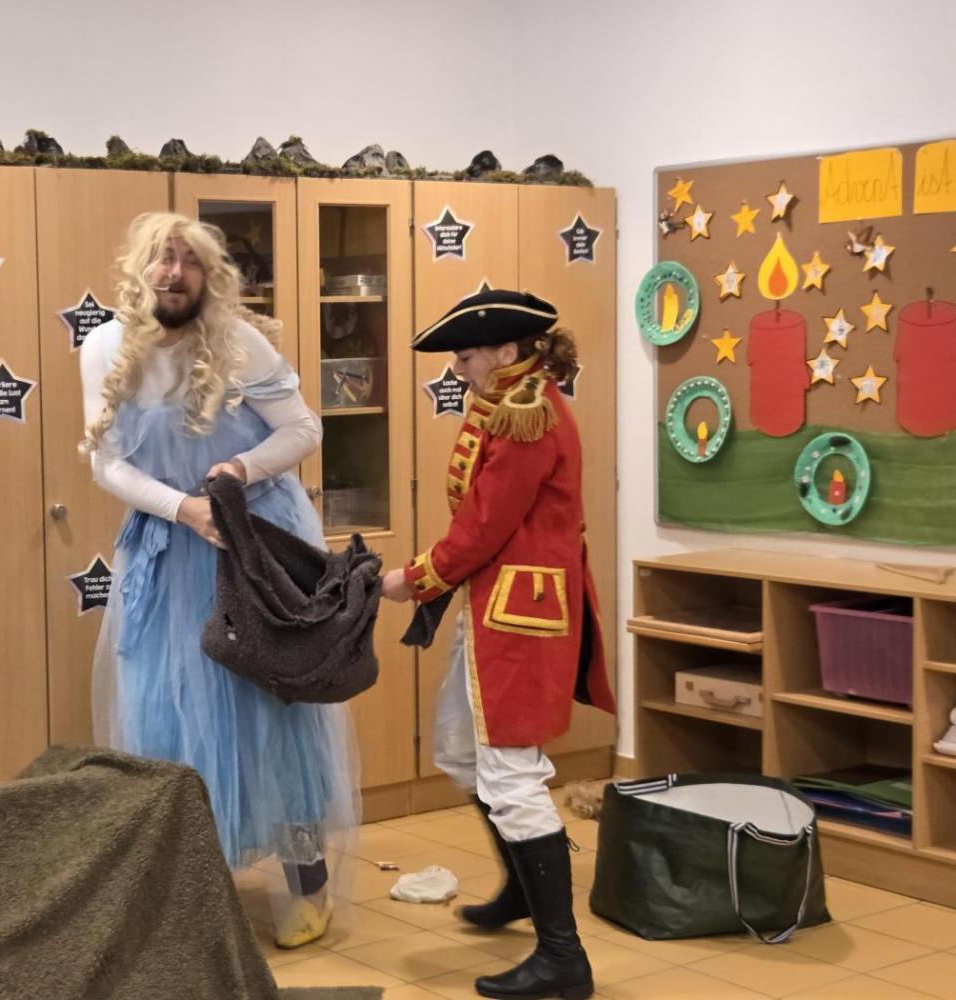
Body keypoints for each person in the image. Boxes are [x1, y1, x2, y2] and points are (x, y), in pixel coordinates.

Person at [79, 212, 359, 948]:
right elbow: (106, 461)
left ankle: (308, 886)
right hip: (169, 548)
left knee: (272, 710)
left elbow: (303, 429)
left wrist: (238, 469)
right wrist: (183, 509)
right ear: (138, 269)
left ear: (208, 274)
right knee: (164, 711)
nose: (174, 273)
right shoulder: (103, 347)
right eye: (161, 259)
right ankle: (190, 885)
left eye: (189, 260)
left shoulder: (238, 342)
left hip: (254, 545)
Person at [380, 289, 616, 1000]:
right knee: (460, 750)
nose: (457, 368)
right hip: (494, 606)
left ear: (507, 352)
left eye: (466, 355)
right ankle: (520, 886)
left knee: (511, 773)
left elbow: (485, 524)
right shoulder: (512, 400)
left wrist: (413, 578)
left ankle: (562, 956)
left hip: (521, 618)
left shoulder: (524, 416)